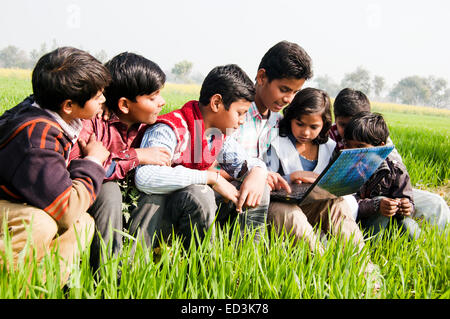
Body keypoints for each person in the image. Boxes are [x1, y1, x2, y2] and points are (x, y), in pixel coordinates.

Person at [128, 64, 270, 250]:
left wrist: (258, 172)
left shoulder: (215, 135)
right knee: (200, 193)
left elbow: (246, 163)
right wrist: (211, 178)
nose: (242, 121)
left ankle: (247, 257)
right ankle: (202, 264)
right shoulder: (171, 129)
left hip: (188, 209)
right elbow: (145, 178)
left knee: (259, 187)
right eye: (240, 113)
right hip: (157, 214)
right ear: (216, 103)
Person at [0, 47, 111, 284]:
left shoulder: (47, 109)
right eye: (97, 96)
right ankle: (9, 286)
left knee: (83, 225)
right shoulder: (37, 137)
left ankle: (42, 288)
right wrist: (93, 161)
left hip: (13, 200)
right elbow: (66, 210)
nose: (103, 99)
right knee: (39, 224)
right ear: (68, 105)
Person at [69, 52, 171, 272]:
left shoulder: (152, 128)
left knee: (157, 192)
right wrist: (138, 155)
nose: (162, 102)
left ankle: (135, 270)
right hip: (98, 205)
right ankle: (107, 273)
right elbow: (87, 167)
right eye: (153, 98)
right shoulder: (93, 123)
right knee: (109, 189)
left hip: (135, 208)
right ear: (124, 104)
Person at [265, 88, 368, 255]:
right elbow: (265, 181)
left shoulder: (329, 147)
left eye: (313, 127)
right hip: (280, 207)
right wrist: (290, 177)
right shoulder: (276, 143)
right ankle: (319, 263)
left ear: (324, 125)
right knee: (292, 215)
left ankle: (362, 266)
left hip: (311, 205)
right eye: (300, 124)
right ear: (290, 117)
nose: (305, 132)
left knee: (337, 204)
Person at [331, 88, 449, 228]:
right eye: (343, 125)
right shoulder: (328, 138)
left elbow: (396, 169)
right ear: (335, 119)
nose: (351, 131)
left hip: (382, 191)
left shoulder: (373, 136)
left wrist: (405, 202)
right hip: (350, 197)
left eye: (356, 124)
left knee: (436, 202)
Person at [344, 112, 421, 239]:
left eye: (360, 147)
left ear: (381, 147)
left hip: (389, 224)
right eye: (348, 145)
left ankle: (418, 252)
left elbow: (407, 199)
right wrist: (376, 205)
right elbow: (347, 203)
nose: (353, 151)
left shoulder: (396, 169)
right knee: (380, 201)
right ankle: (365, 251)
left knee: (408, 225)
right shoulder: (345, 168)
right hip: (358, 223)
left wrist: (406, 206)